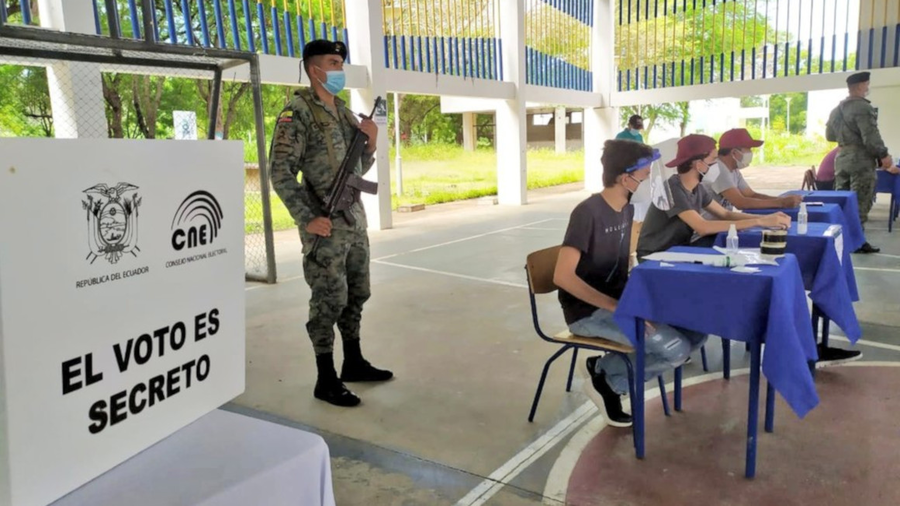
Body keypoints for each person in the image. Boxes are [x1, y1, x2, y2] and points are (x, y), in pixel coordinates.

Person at [269, 40, 392, 408]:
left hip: (353, 221)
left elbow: (358, 171)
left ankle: (352, 361)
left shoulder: (343, 112)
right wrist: (308, 220)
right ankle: (326, 378)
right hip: (325, 226)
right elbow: (280, 172)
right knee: (328, 300)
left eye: (341, 63)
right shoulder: (297, 113)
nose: (339, 70)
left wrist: (371, 144)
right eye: (333, 63)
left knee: (358, 293)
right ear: (314, 69)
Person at [554, 139, 707, 427]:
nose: (648, 181)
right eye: (645, 175)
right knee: (675, 349)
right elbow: (562, 276)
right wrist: (616, 306)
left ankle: (604, 368)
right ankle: (608, 381)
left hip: (622, 303)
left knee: (697, 329)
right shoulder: (587, 213)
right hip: (587, 312)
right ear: (625, 178)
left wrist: (645, 299)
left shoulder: (625, 209)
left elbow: (622, 267)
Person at [636, 134, 791, 258]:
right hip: (656, 256)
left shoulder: (697, 188)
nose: (717, 164)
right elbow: (702, 227)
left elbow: (725, 214)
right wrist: (759, 221)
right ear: (698, 164)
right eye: (713, 159)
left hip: (679, 249)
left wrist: (768, 220)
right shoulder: (672, 189)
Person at [826, 71, 892, 253]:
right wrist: (883, 154)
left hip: (842, 158)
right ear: (862, 85)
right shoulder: (863, 108)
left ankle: (841, 238)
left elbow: (829, 135)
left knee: (842, 200)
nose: (867, 88)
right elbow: (870, 137)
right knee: (860, 201)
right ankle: (858, 241)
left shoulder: (837, 109)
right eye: (867, 85)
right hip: (861, 160)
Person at [701, 128, 803, 219]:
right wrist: (781, 203)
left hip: (721, 227)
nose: (751, 152)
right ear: (734, 153)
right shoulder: (718, 169)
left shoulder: (733, 170)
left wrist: (782, 199)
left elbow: (751, 194)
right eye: (748, 149)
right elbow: (740, 203)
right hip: (709, 234)